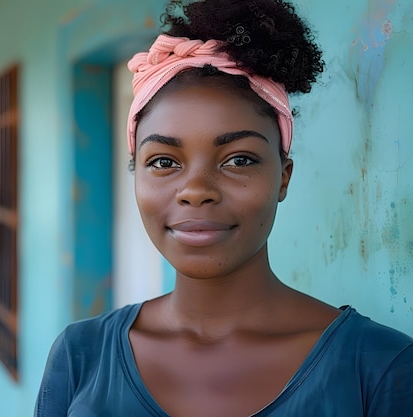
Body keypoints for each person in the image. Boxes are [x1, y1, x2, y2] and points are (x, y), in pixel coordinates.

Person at [35, 0, 413, 415]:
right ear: (136, 174)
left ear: (283, 177)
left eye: (239, 159)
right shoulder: (79, 356)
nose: (195, 191)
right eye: (163, 162)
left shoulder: (379, 368)